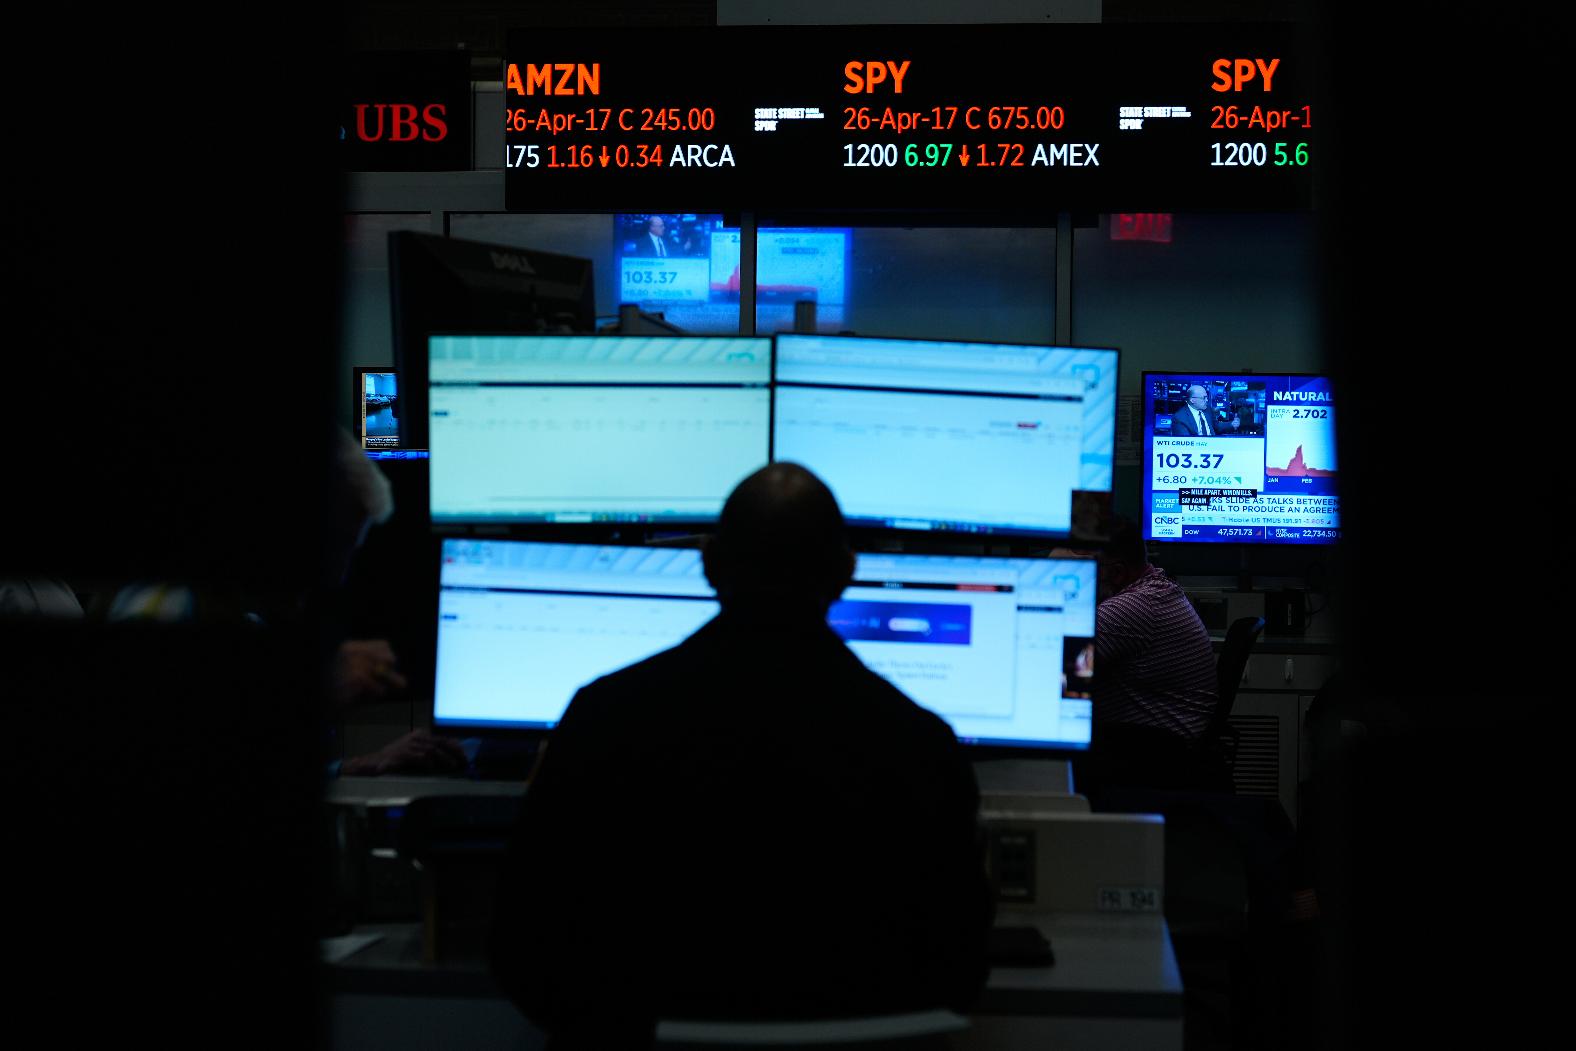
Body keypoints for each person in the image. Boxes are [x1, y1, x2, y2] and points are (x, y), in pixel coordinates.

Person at [490, 463, 992, 1050]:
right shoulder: (921, 744)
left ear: (707, 563)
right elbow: (960, 969)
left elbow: (523, 950)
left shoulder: (605, 716)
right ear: (846, 573)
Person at [1090, 516, 1218, 744]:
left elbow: (1055, 666)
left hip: (1156, 750)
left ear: (1117, 572)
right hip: (1170, 740)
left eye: (1086, 571)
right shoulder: (1157, 589)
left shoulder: (1130, 607)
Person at [1170, 383, 1237, 436]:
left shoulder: (1207, 409)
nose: (1207, 400)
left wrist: (1232, 424)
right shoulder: (1179, 418)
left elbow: (1216, 426)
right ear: (1193, 400)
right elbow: (1186, 443)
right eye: (1204, 398)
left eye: (1206, 397)